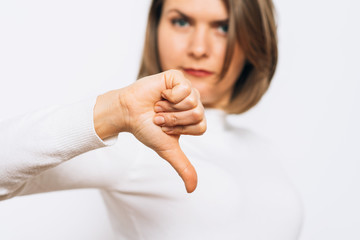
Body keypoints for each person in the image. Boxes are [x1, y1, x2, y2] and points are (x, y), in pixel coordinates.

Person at [0, 0, 303, 239]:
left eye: (223, 27)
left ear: (255, 39)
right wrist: (114, 111)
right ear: (156, 28)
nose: (199, 48)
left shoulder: (264, 149)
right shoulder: (131, 143)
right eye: (181, 21)